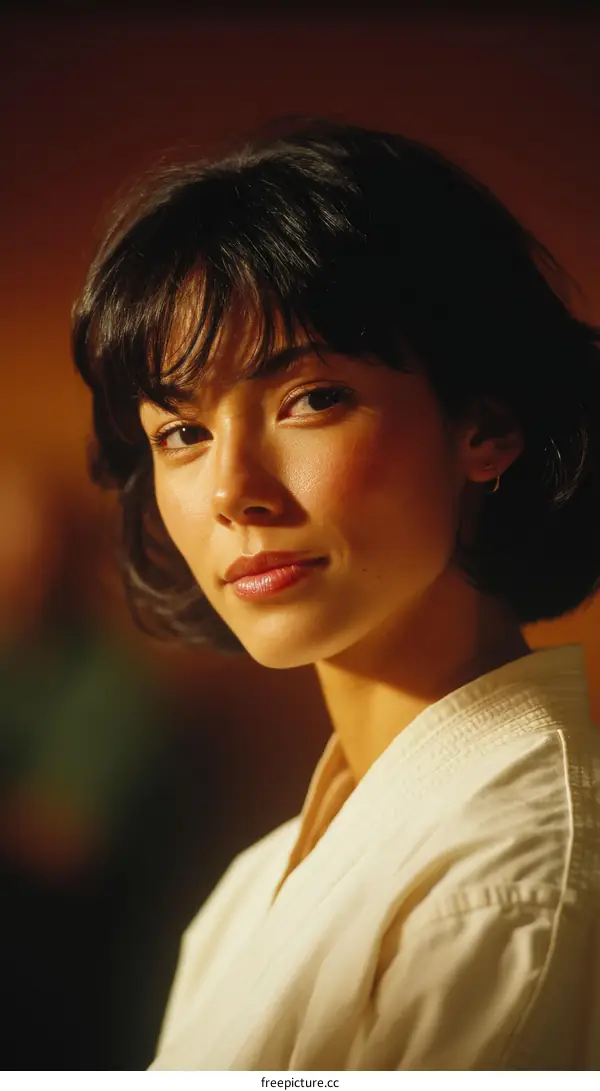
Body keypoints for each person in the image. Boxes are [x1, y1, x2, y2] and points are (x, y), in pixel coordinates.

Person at [71, 117, 600, 1071]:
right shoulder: (253, 885)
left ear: (486, 426)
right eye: (181, 432)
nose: (234, 490)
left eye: (309, 398)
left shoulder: (512, 882)